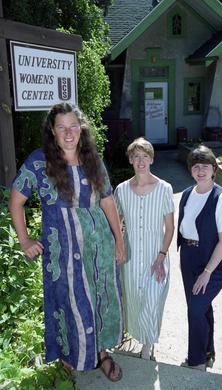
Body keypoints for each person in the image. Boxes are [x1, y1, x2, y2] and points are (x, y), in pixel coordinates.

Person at [8, 103, 125, 382]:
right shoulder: (39, 162)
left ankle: (101, 354)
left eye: (73, 126)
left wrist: (119, 240)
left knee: (99, 300)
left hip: (99, 249)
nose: (68, 132)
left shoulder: (93, 160)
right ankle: (69, 357)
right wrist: (25, 241)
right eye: (61, 127)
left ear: (81, 128)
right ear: (52, 130)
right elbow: (16, 201)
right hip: (62, 253)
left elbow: (108, 199)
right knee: (68, 303)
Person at [177, 145, 222, 371]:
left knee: (195, 308)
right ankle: (208, 352)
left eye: (205, 166)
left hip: (215, 262)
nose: (200, 171)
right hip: (189, 257)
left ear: (214, 168)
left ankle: (197, 362)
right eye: (195, 166)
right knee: (201, 307)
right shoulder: (186, 194)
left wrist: (207, 273)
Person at [114, 137, 174, 359]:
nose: (141, 161)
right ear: (130, 160)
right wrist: (117, 247)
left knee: (152, 299)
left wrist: (161, 256)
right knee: (134, 299)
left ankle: (148, 346)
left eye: (145, 156)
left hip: (155, 255)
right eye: (136, 156)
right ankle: (138, 339)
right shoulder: (121, 189)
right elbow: (117, 222)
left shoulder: (165, 188)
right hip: (129, 256)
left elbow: (169, 228)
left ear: (151, 159)